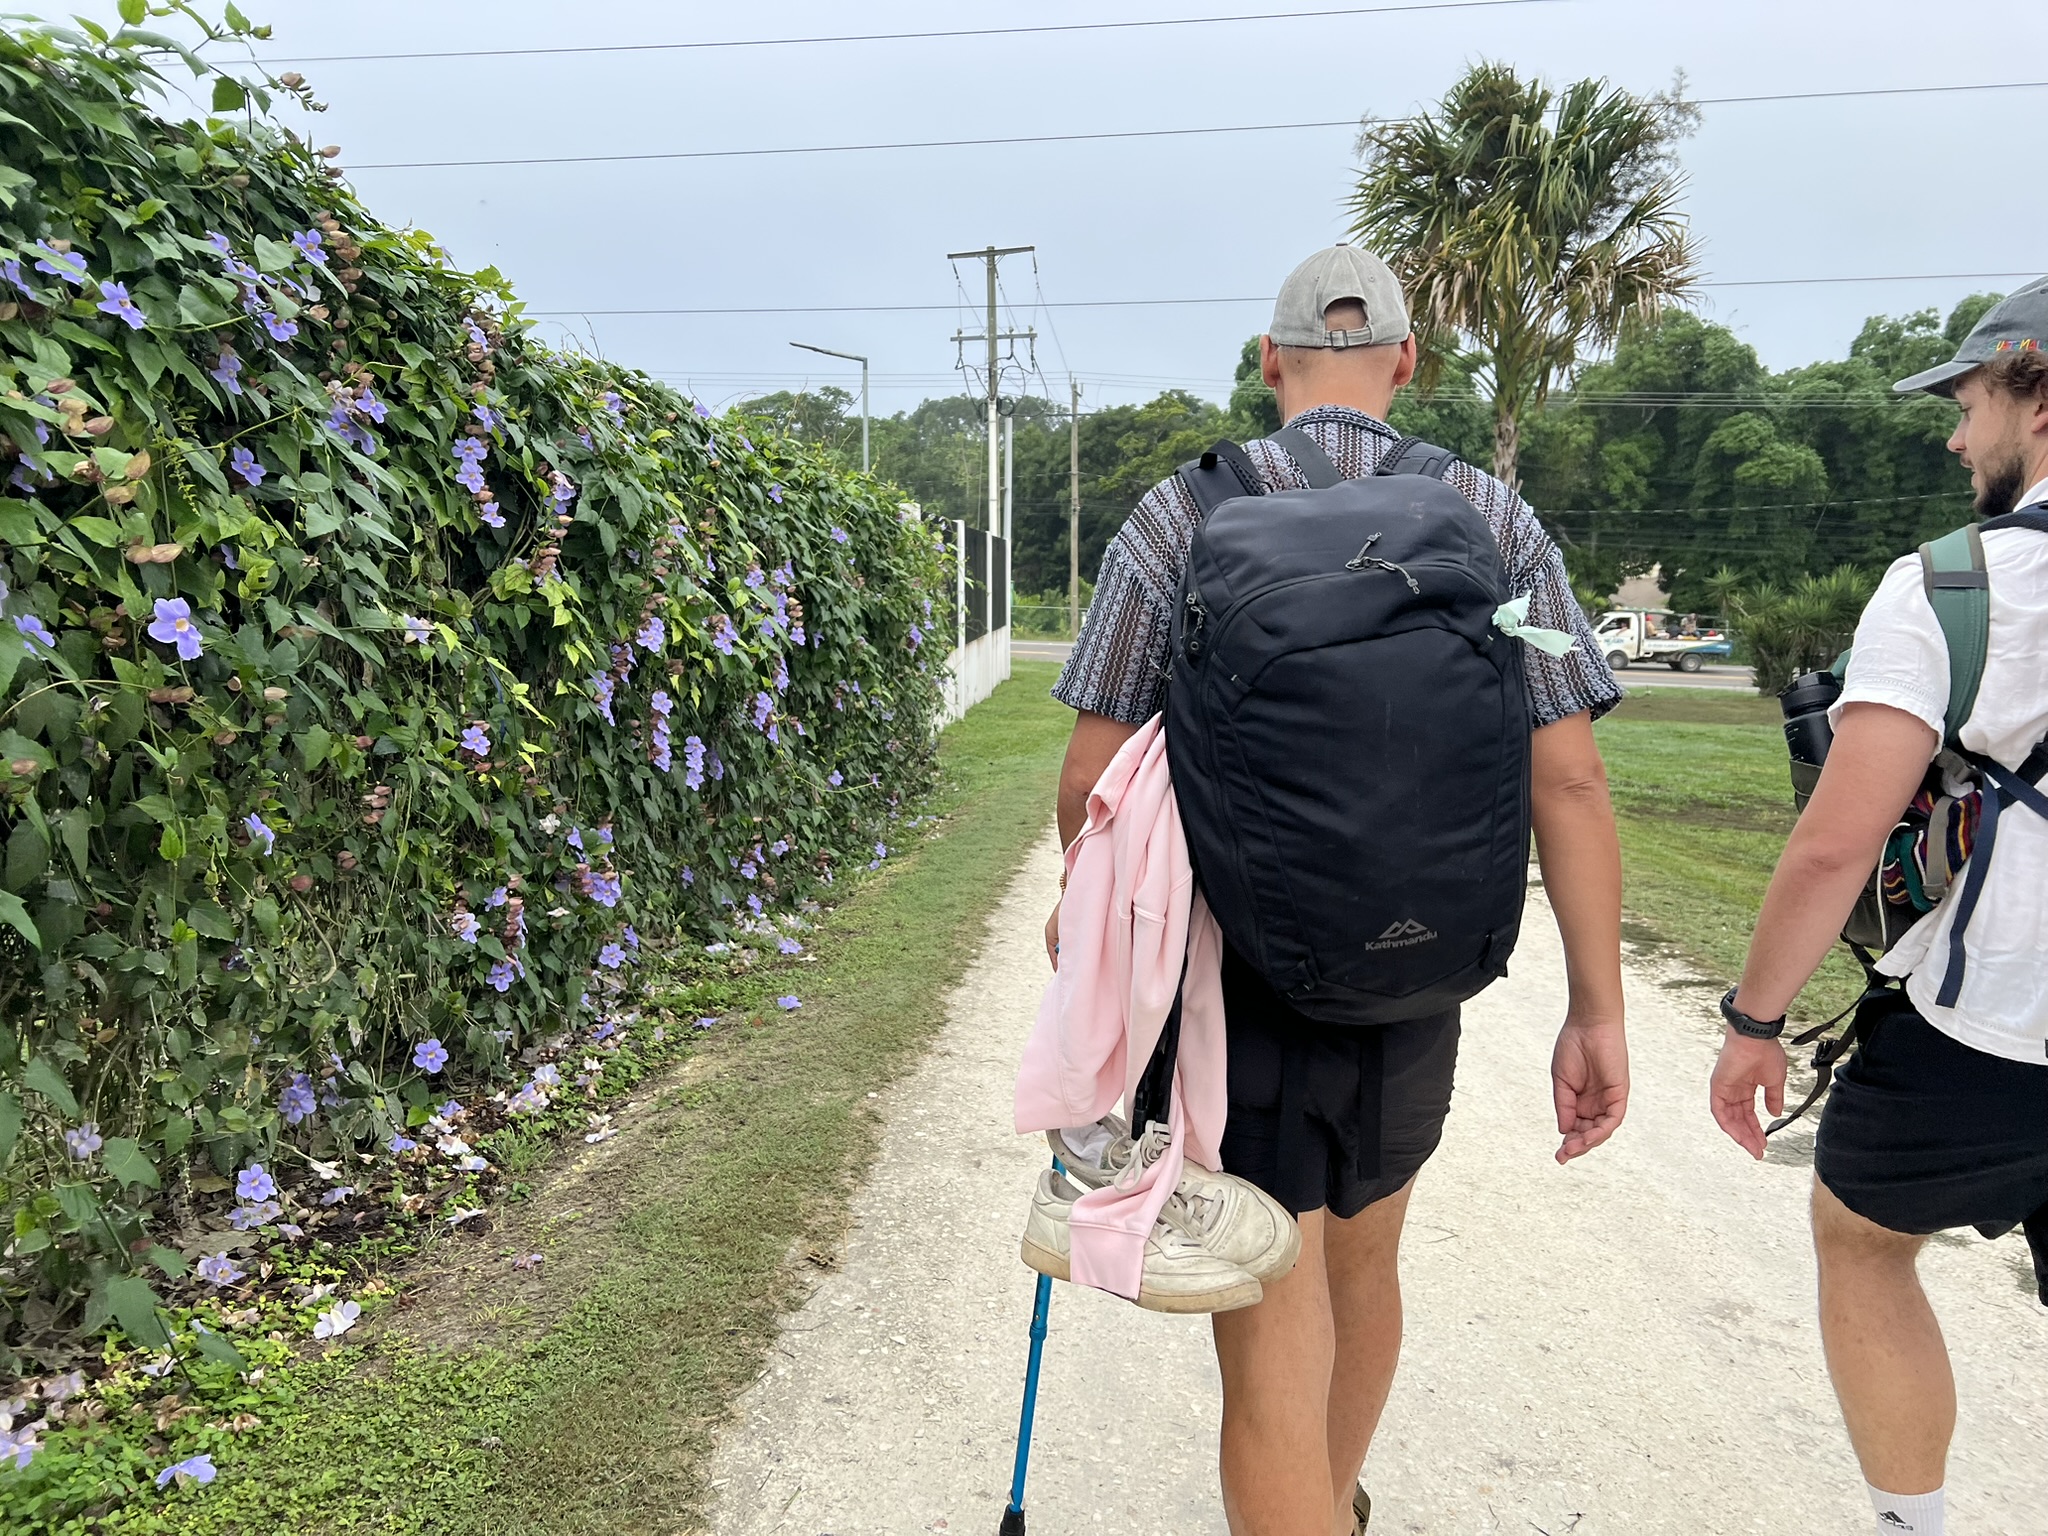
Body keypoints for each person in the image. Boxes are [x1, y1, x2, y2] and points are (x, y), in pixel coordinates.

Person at [1044, 244, 1632, 1536]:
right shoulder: (1488, 518)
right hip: (1418, 975)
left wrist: (1089, 948)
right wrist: (1595, 1008)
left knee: (1271, 1307)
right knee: (1367, 1259)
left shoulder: (1181, 514)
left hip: (1235, 985)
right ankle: (1331, 1509)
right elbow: (1570, 778)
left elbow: (1092, 777)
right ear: (1406, 361)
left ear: (1269, 362)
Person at [1709, 280, 2048, 1536]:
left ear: (2035, 397)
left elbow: (1831, 846)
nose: (1957, 436)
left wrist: (1753, 1022)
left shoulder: (1953, 584)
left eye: (1969, 402)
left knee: (1857, 1230)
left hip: (1992, 1015)